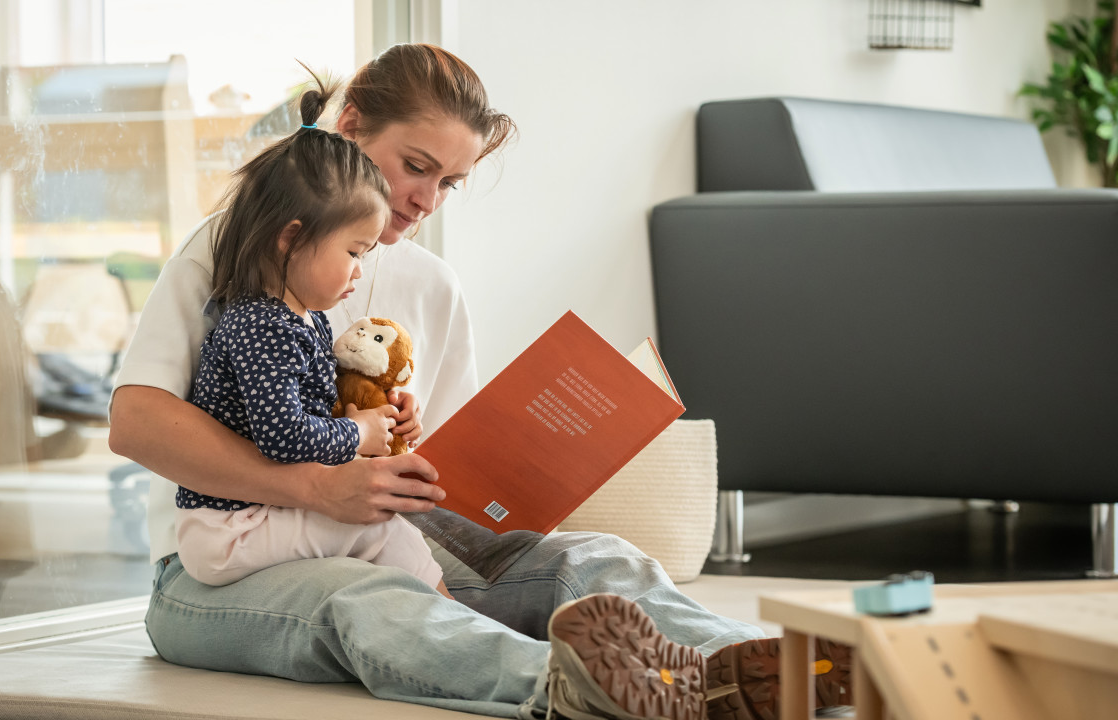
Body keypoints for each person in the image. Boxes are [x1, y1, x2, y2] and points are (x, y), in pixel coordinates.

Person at [109, 43, 850, 720]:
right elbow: (136, 422)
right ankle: (583, 692)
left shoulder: (432, 285)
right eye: (417, 165)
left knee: (593, 559)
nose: (428, 199)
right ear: (352, 124)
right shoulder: (238, 245)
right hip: (217, 573)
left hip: (378, 537)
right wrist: (316, 487)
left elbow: (445, 470)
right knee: (373, 599)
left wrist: (468, 467)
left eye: (451, 183)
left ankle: (767, 673)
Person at [172, 74, 448, 597]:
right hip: (228, 530)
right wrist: (361, 433)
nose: (359, 272)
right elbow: (285, 437)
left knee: (389, 538)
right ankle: (464, 628)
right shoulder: (261, 325)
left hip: (260, 517)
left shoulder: (305, 317)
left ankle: (461, 625)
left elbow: (312, 404)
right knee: (385, 534)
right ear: (291, 239)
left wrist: (382, 415)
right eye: (353, 253)